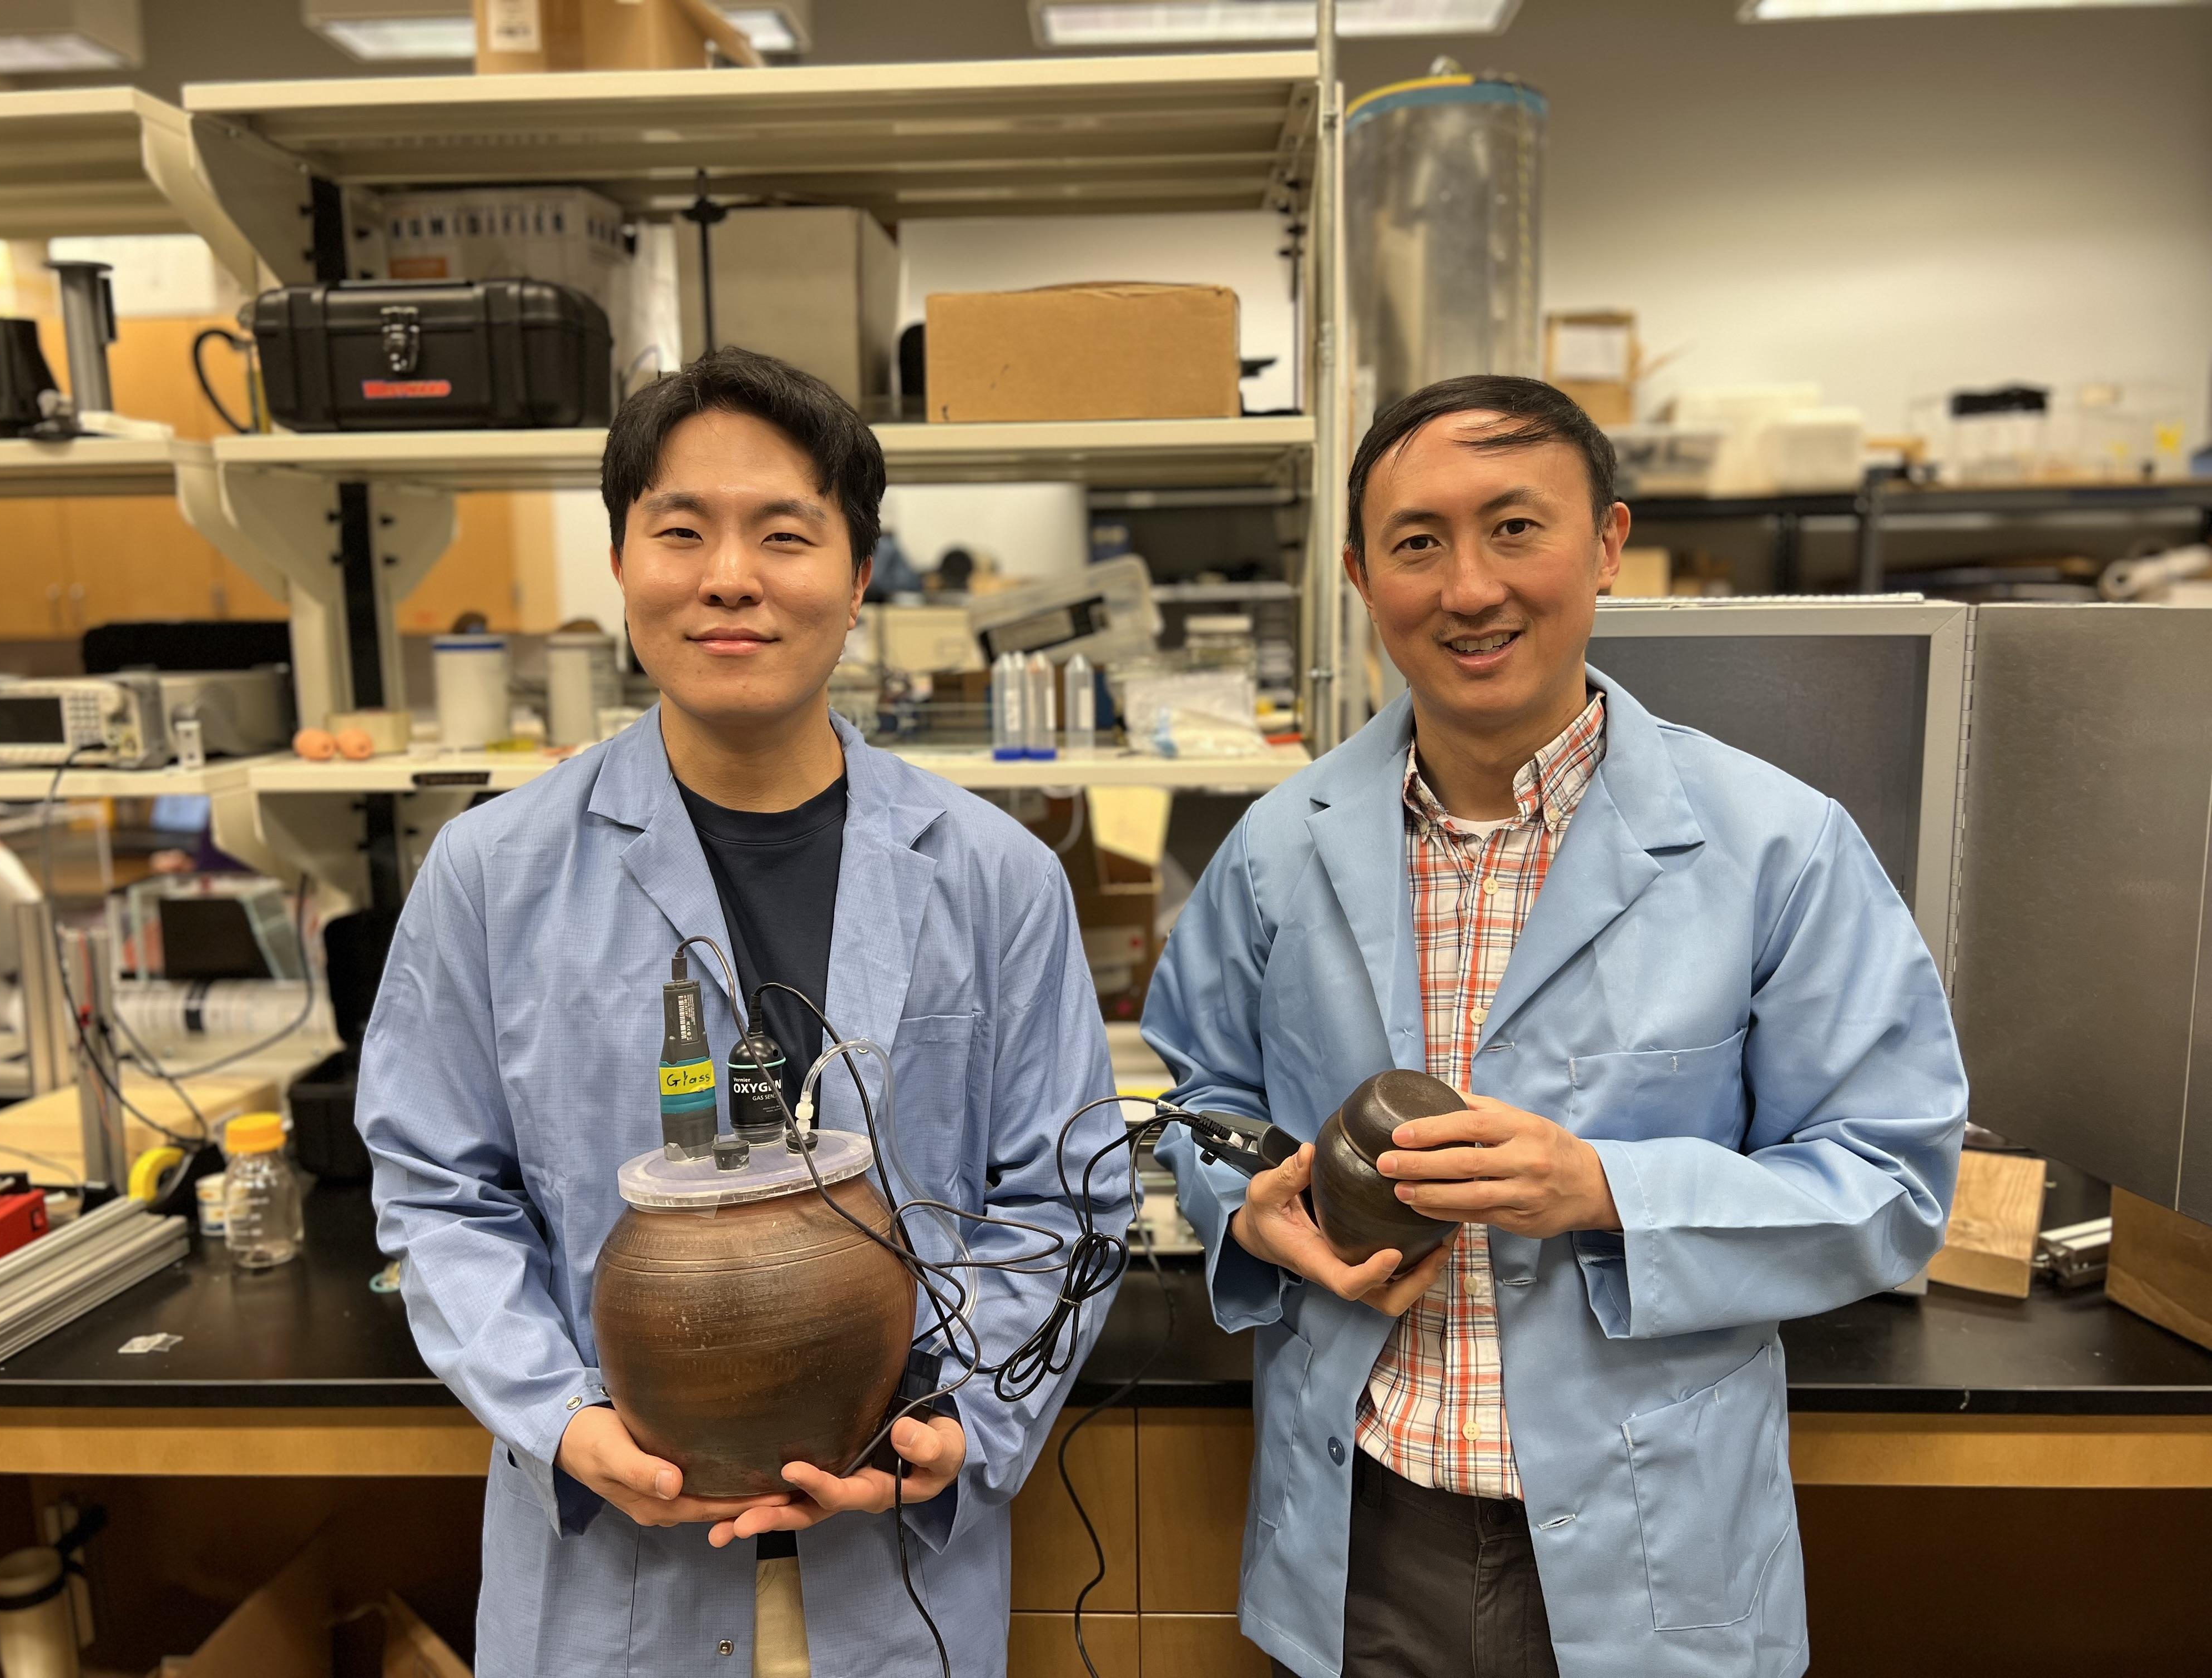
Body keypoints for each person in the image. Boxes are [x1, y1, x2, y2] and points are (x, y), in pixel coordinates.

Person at [1144, 375, 1966, 1678]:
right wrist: (1253, 1209)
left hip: (1653, 1535)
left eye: (1516, 528)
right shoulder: (1273, 852)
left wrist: (1606, 1191)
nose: (1469, 589)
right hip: (1364, 1522)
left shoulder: (1777, 848)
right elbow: (1201, 1100)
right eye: (1418, 543)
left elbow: (1892, 1179)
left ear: (1608, 543)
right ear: (1362, 576)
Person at [357, 346, 1126, 1677]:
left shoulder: (997, 878)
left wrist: (966, 1417)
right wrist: (563, 1421)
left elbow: (1061, 1200)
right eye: (681, 530)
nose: (730, 576)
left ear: (858, 573)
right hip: (612, 1574)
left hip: (899, 1568)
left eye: (784, 533)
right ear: (621, 563)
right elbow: (435, 1195)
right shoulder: (493, 874)